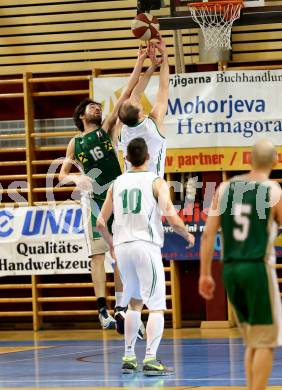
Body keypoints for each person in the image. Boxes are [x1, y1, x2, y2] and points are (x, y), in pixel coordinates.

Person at [58, 46, 150, 331]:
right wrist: (76, 179)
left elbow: (125, 95)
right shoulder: (75, 143)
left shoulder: (107, 129)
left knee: (121, 253)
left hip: (118, 197)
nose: (97, 107)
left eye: (98, 106)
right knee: (97, 254)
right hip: (94, 200)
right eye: (92, 106)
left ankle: (121, 307)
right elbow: (61, 175)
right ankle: (102, 309)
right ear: (81, 116)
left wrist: (142, 63)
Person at [97, 137, 195, 375]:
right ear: (149, 157)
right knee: (157, 306)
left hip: (122, 247)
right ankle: (150, 358)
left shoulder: (116, 183)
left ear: (127, 158)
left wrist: (111, 244)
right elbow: (171, 217)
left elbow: (100, 222)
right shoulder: (156, 181)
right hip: (145, 245)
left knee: (134, 303)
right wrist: (187, 235)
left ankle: (129, 356)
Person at [199, 139, 282, 390]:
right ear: (275, 162)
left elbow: (208, 234)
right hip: (257, 268)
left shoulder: (224, 188)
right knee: (266, 341)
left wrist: (205, 274)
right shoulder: (273, 190)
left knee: (252, 341)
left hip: (230, 270)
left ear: (249, 160)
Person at [118, 36, 169, 177]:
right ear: (140, 114)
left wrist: (152, 66)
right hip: (153, 188)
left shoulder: (123, 130)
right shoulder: (153, 124)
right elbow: (163, 87)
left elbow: (135, 93)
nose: (135, 98)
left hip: (127, 187)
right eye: (136, 102)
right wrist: (164, 56)